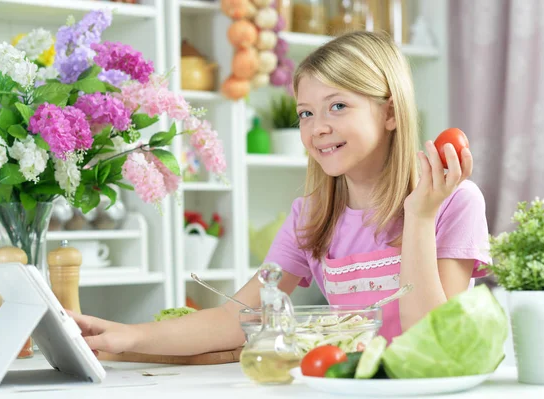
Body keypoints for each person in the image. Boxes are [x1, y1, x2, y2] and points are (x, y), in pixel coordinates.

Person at [71, 30, 490, 356]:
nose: (317, 127)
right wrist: (127, 336)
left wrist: (419, 217)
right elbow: (235, 318)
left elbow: (433, 341)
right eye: (306, 113)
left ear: (391, 112)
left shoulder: (454, 201)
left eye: (337, 106)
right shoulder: (311, 215)